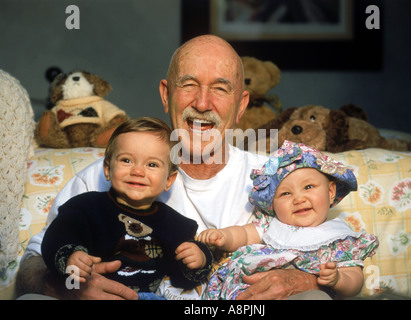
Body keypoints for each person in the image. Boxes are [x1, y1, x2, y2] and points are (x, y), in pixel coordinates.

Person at [17, 34, 327, 300]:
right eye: (189, 85)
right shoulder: (107, 175)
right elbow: (33, 262)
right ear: (167, 95)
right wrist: (65, 285)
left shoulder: (279, 179)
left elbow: (340, 254)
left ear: (241, 105)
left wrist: (305, 280)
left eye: (220, 89)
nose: (203, 103)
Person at [40, 117, 213, 300]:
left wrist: (199, 260)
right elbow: (56, 237)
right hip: (89, 293)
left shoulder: (174, 224)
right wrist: (70, 258)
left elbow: (183, 278)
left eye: (152, 164)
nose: (138, 171)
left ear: (169, 180)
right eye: (126, 160)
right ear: (107, 168)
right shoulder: (86, 207)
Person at [199, 141, 379, 300]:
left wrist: (338, 279)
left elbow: (355, 281)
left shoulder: (340, 239)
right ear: (273, 204)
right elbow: (245, 234)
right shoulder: (272, 224)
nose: (298, 199)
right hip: (248, 289)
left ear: (331, 192)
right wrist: (223, 236)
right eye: (285, 193)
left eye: (308, 187)